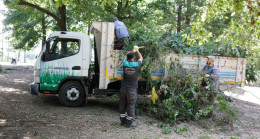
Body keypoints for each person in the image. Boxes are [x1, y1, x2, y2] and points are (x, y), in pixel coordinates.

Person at [119, 46, 143, 127]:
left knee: (122, 103)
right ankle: (129, 122)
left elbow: (126, 56)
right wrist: (137, 51)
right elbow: (141, 58)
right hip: (131, 89)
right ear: (134, 58)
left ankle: (122, 120)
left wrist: (132, 51)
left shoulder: (125, 63)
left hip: (123, 88)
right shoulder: (136, 65)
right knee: (131, 104)